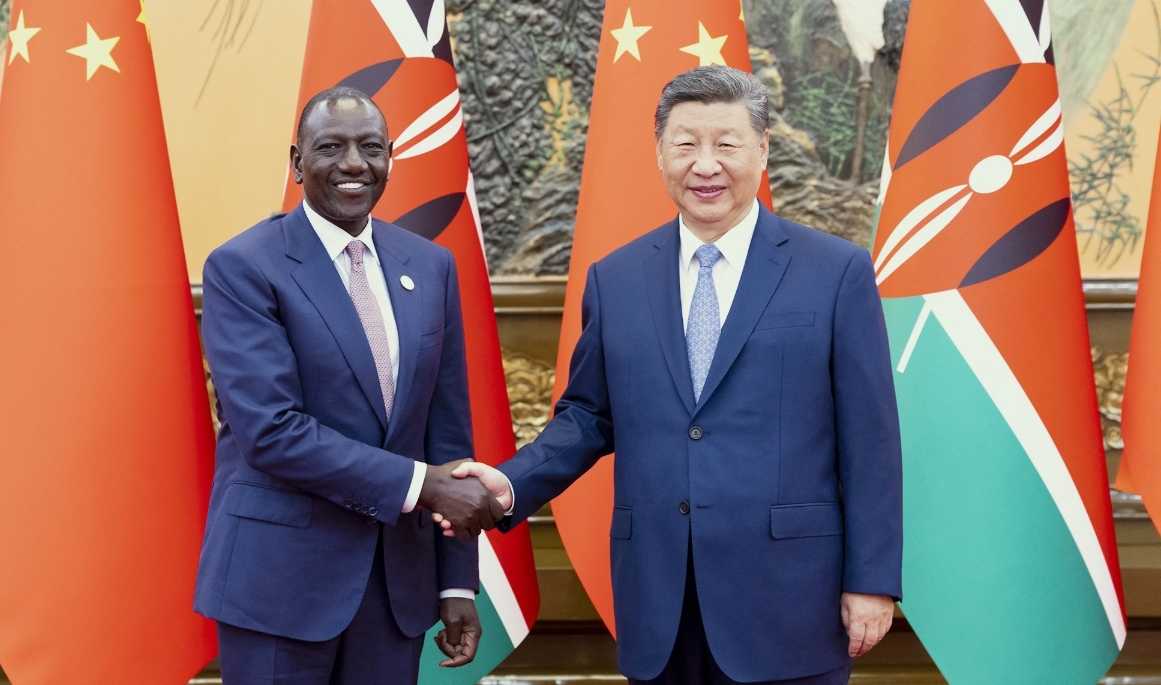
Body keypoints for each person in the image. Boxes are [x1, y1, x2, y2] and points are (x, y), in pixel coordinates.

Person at [447, 66, 903, 685]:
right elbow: (587, 417)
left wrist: (871, 582)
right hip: (660, 598)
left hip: (789, 600)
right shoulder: (618, 277)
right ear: (660, 152)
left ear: (762, 149)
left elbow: (871, 440)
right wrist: (506, 484)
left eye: (727, 144)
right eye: (686, 144)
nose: (705, 164)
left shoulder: (835, 272)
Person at [194, 86, 504, 685]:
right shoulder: (243, 267)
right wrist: (421, 485)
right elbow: (271, 433)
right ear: (297, 161)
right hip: (279, 587)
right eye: (331, 147)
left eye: (371, 148)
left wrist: (455, 578)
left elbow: (447, 430)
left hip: (395, 590)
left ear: (391, 157)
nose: (354, 164)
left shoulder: (429, 265)